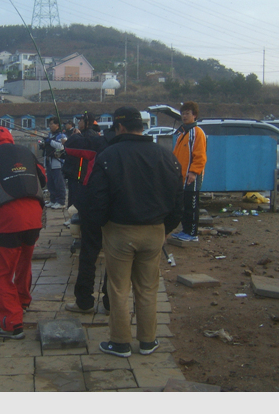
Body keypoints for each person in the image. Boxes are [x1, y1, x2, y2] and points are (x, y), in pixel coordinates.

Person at [85, 106, 183, 357]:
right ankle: (148, 341)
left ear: (119, 127)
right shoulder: (166, 156)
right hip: (154, 232)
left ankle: (120, 343)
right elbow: (178, 200)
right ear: (142, 126)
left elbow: (96, 199)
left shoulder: (108, 156)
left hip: (119, 232)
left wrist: (102, 225)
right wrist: (165, 229)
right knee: (148, 288)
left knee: (119, 289)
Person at [0, 126, 47, 339]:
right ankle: (22, 302)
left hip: (7, 221)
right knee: (23, 262)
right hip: (34, 218)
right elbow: (43, 178)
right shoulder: (26, 152)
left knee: (0, 274)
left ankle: (11, 324)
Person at [62, 112, 110, 315]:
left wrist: (73, 135)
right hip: (118, 209)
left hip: (93, 204)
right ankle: (111, 303)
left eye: (81, 120)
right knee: (114, 257)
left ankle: (84, 301)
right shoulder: (146, 151)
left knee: (89, 253)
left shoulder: (93, 141)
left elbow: (71, 147)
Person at [170, 101, 207, 242]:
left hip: (191, 177)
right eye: (183, 113)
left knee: (191, 205)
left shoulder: (197, 133)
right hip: (181, 176)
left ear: (194, 115)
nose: (184, 116)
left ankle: (192, 234)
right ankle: (185, 230)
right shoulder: (182, 134)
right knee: (183, 205)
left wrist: (194, 172)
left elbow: (200, 155)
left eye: (187, 113)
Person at [41, 117, 66, 209]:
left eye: (52, 124)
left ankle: (61, 202)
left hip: (57, 164)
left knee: (59, 183)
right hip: (49, 162)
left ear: (57, 125)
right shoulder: (50, 135)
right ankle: (53, 200)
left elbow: (62, 146)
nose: (50, 126)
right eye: (50, 124)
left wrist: (50, 141)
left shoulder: (61, 135)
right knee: (50, 183)